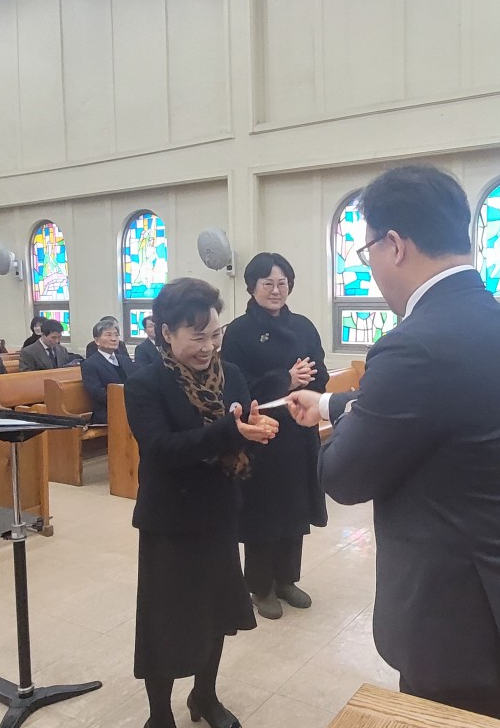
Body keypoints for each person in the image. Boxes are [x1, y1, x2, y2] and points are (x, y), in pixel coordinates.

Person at [287, 165, 500, 724]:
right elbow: (438, 411)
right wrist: (327, 404)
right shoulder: (488, 317)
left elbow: (344, 477)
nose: (370, 268)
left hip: (460, 629)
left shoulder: (414, 343)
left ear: (394, 245)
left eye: (367, 251)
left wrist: (325, 433)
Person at [125, 278, 279, 728]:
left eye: (215, 334)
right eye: (197, 336)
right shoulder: (145, 383)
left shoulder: (232, 375)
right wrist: (230, 432)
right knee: (165, 623)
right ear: (165, 332)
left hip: (219, 513)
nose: (208, 347)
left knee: (215, 614)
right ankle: (159, 715)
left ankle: (204, 697)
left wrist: (256, 433)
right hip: (170, 519)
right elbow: (161, 450)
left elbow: (239, 435)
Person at [220, 252, 328, 619]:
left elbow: (319, 371)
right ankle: (260, 586)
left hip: (298, 430)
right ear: (252, 287)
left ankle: (286, 580)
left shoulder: (303, 326)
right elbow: (236, 385)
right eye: (268, 283)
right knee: (263, 513)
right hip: (261, 435)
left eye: (283, 283)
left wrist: (308, 382)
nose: (276, 290)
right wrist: (286, 379)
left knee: (295, 509)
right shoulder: (239, 332)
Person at [81, 319, 136, 424]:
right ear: (97, 340)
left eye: (116, 335)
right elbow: (97, 392)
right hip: (107, 412)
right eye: (108, 335)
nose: (114, 339)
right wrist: (125, 401)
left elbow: (135, 382)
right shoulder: (90, 364)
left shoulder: (125, 360)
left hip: (130, 408)